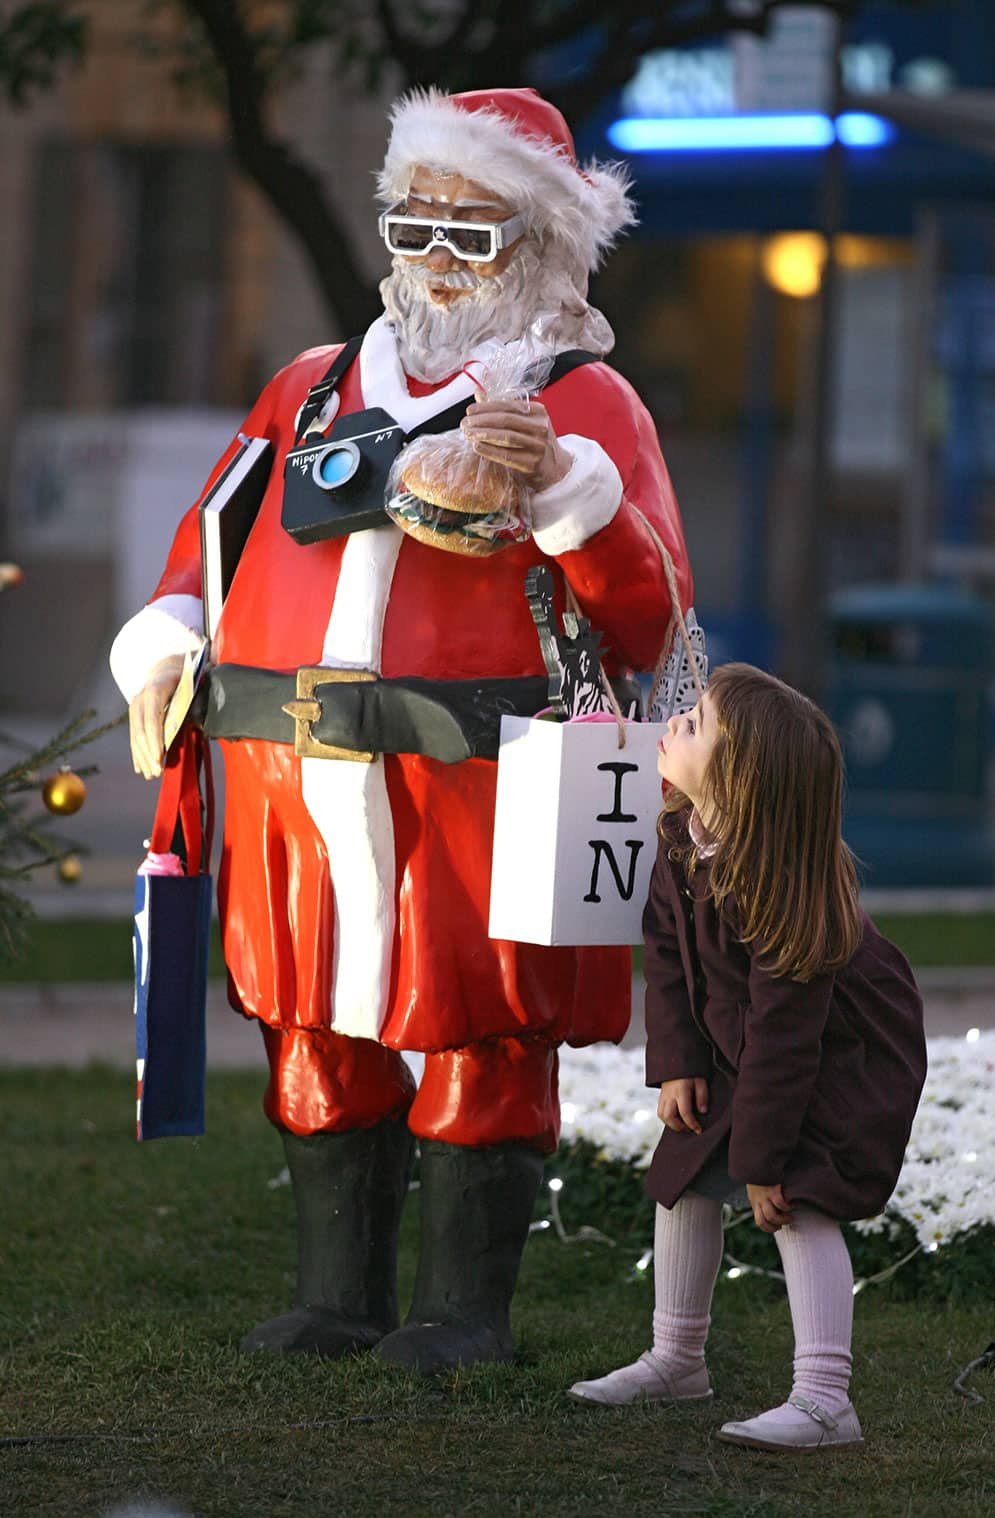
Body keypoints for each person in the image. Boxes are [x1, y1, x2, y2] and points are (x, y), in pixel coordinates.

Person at [110, 86, 697, 1373]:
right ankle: (337, 1296)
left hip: (480, 784)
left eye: (470, 234)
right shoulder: (305, 391)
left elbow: (652, 613)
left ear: (541, 247)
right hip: (291, 775)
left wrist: (561, 492)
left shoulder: (586, 409)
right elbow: (202, 543)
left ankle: (462, 1313)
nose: (431, 256)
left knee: (484, 1033)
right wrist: (162, 640)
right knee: (311, 1019)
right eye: (411, 223)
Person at [568, 663, 926, 1451]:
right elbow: (667, 956)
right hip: (742, 1044)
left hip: (844, 1052)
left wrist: (762, 1160)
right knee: (686, 1179)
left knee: (796, 1197)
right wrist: (679, 1062)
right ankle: (676, 1358)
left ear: (740, 780)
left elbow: (787, 1037)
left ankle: (827, 1398)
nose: (674, 723)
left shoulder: (785, 893)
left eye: (695, 725)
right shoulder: (678, 836)